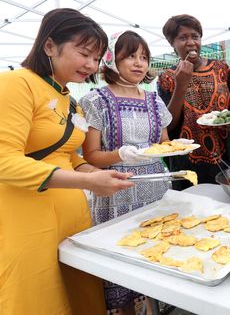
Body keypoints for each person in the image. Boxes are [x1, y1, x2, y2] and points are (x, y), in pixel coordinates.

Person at [0, 8, 134, 315]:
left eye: (97, 57)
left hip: (73, 215)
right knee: (39, 298)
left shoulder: (69, 99)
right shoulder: (15, 83)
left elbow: (69, 157)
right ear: (49, 46)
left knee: (81, 293)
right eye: (84, 53)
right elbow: (4, 161)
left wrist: (98, 175)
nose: (91, 65)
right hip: (27, 217)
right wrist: (88, 181)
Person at [80, 30, 173, 313]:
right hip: (117, 191)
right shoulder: (97, 101)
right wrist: (120, 154)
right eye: (130, 56)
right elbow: (92, 156)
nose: (138, 63)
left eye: (144, 57)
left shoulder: (154, 100)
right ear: (111, 59)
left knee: (158, 257)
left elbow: (165, 144)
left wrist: (177, 146)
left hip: (157, 190)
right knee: (123, 264)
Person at [157, 14, 230, 189]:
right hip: (188, 160)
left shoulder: (221, 69)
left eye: (195, 36)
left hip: (227, 152)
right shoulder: (167, 78)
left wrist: (228, 119)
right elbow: (167, 124)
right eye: (183, 38)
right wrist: (181, 85)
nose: (191, 42)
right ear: (172, 43)